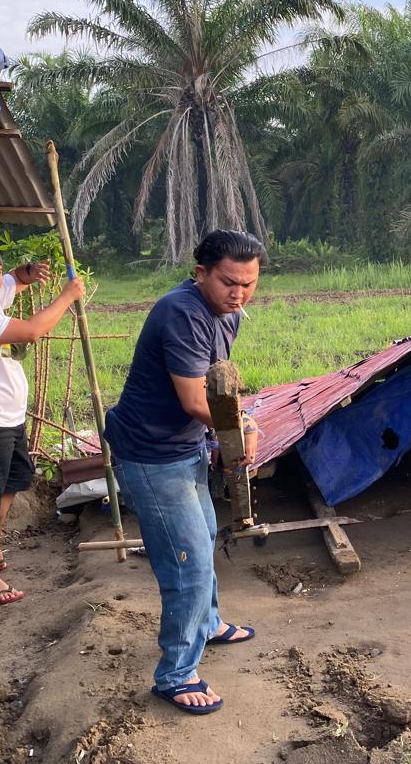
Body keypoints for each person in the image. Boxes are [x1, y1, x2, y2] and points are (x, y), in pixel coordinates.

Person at [104, 229, 264, 715]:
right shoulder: (181, 313)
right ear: (201, 274)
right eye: (229, 283)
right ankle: (176, 674)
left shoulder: (225, 313)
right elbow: (196, 400)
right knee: (187, 560)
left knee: (206, 534)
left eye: (249, 284)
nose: (239, 294)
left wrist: (220, 437)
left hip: (186, 444)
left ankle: (207, 623)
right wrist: (244, 428)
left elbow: (214, 385)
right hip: (152, 454)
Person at [0, 245, 85, 605]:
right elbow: (33, 331)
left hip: (7, 420)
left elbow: (13, 281)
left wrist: (26, 272)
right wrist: (67, 296)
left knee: (11, 484)